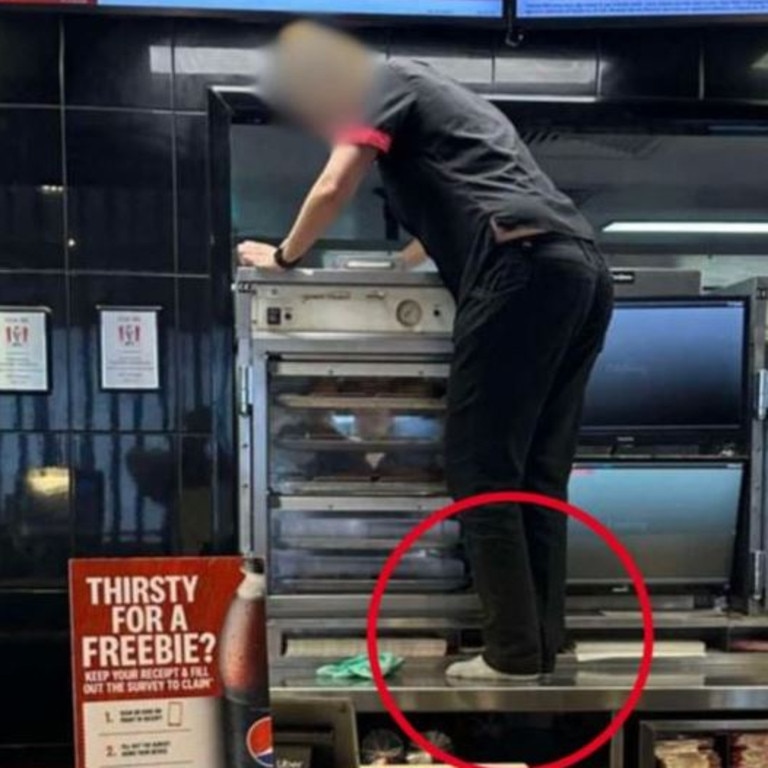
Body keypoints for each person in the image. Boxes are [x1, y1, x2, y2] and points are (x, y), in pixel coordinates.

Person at [239, 21, 614, 680]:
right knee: (535, 475)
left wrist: (284, 257)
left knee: (479, 469)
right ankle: (542, 646)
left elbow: (332, 187)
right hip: (580, 269)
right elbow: (439, 234)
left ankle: (511, 654)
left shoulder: (382, 83)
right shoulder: (456, 105)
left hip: (519, 266)